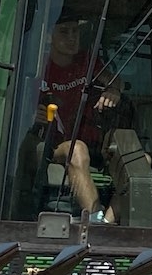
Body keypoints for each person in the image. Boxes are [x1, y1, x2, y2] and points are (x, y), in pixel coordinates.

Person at [38, 17, 123, 221]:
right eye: (64, 32)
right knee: (77, 150)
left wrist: (113, 90)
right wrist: (35, 116)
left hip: (93, 142)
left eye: (75, 32)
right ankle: (94, 219)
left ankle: (105, 224)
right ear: (49, 36)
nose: (71, 38)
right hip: (52, 145)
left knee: (139, 160)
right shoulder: (41, 66)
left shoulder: (86, 62)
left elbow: (115, 80)